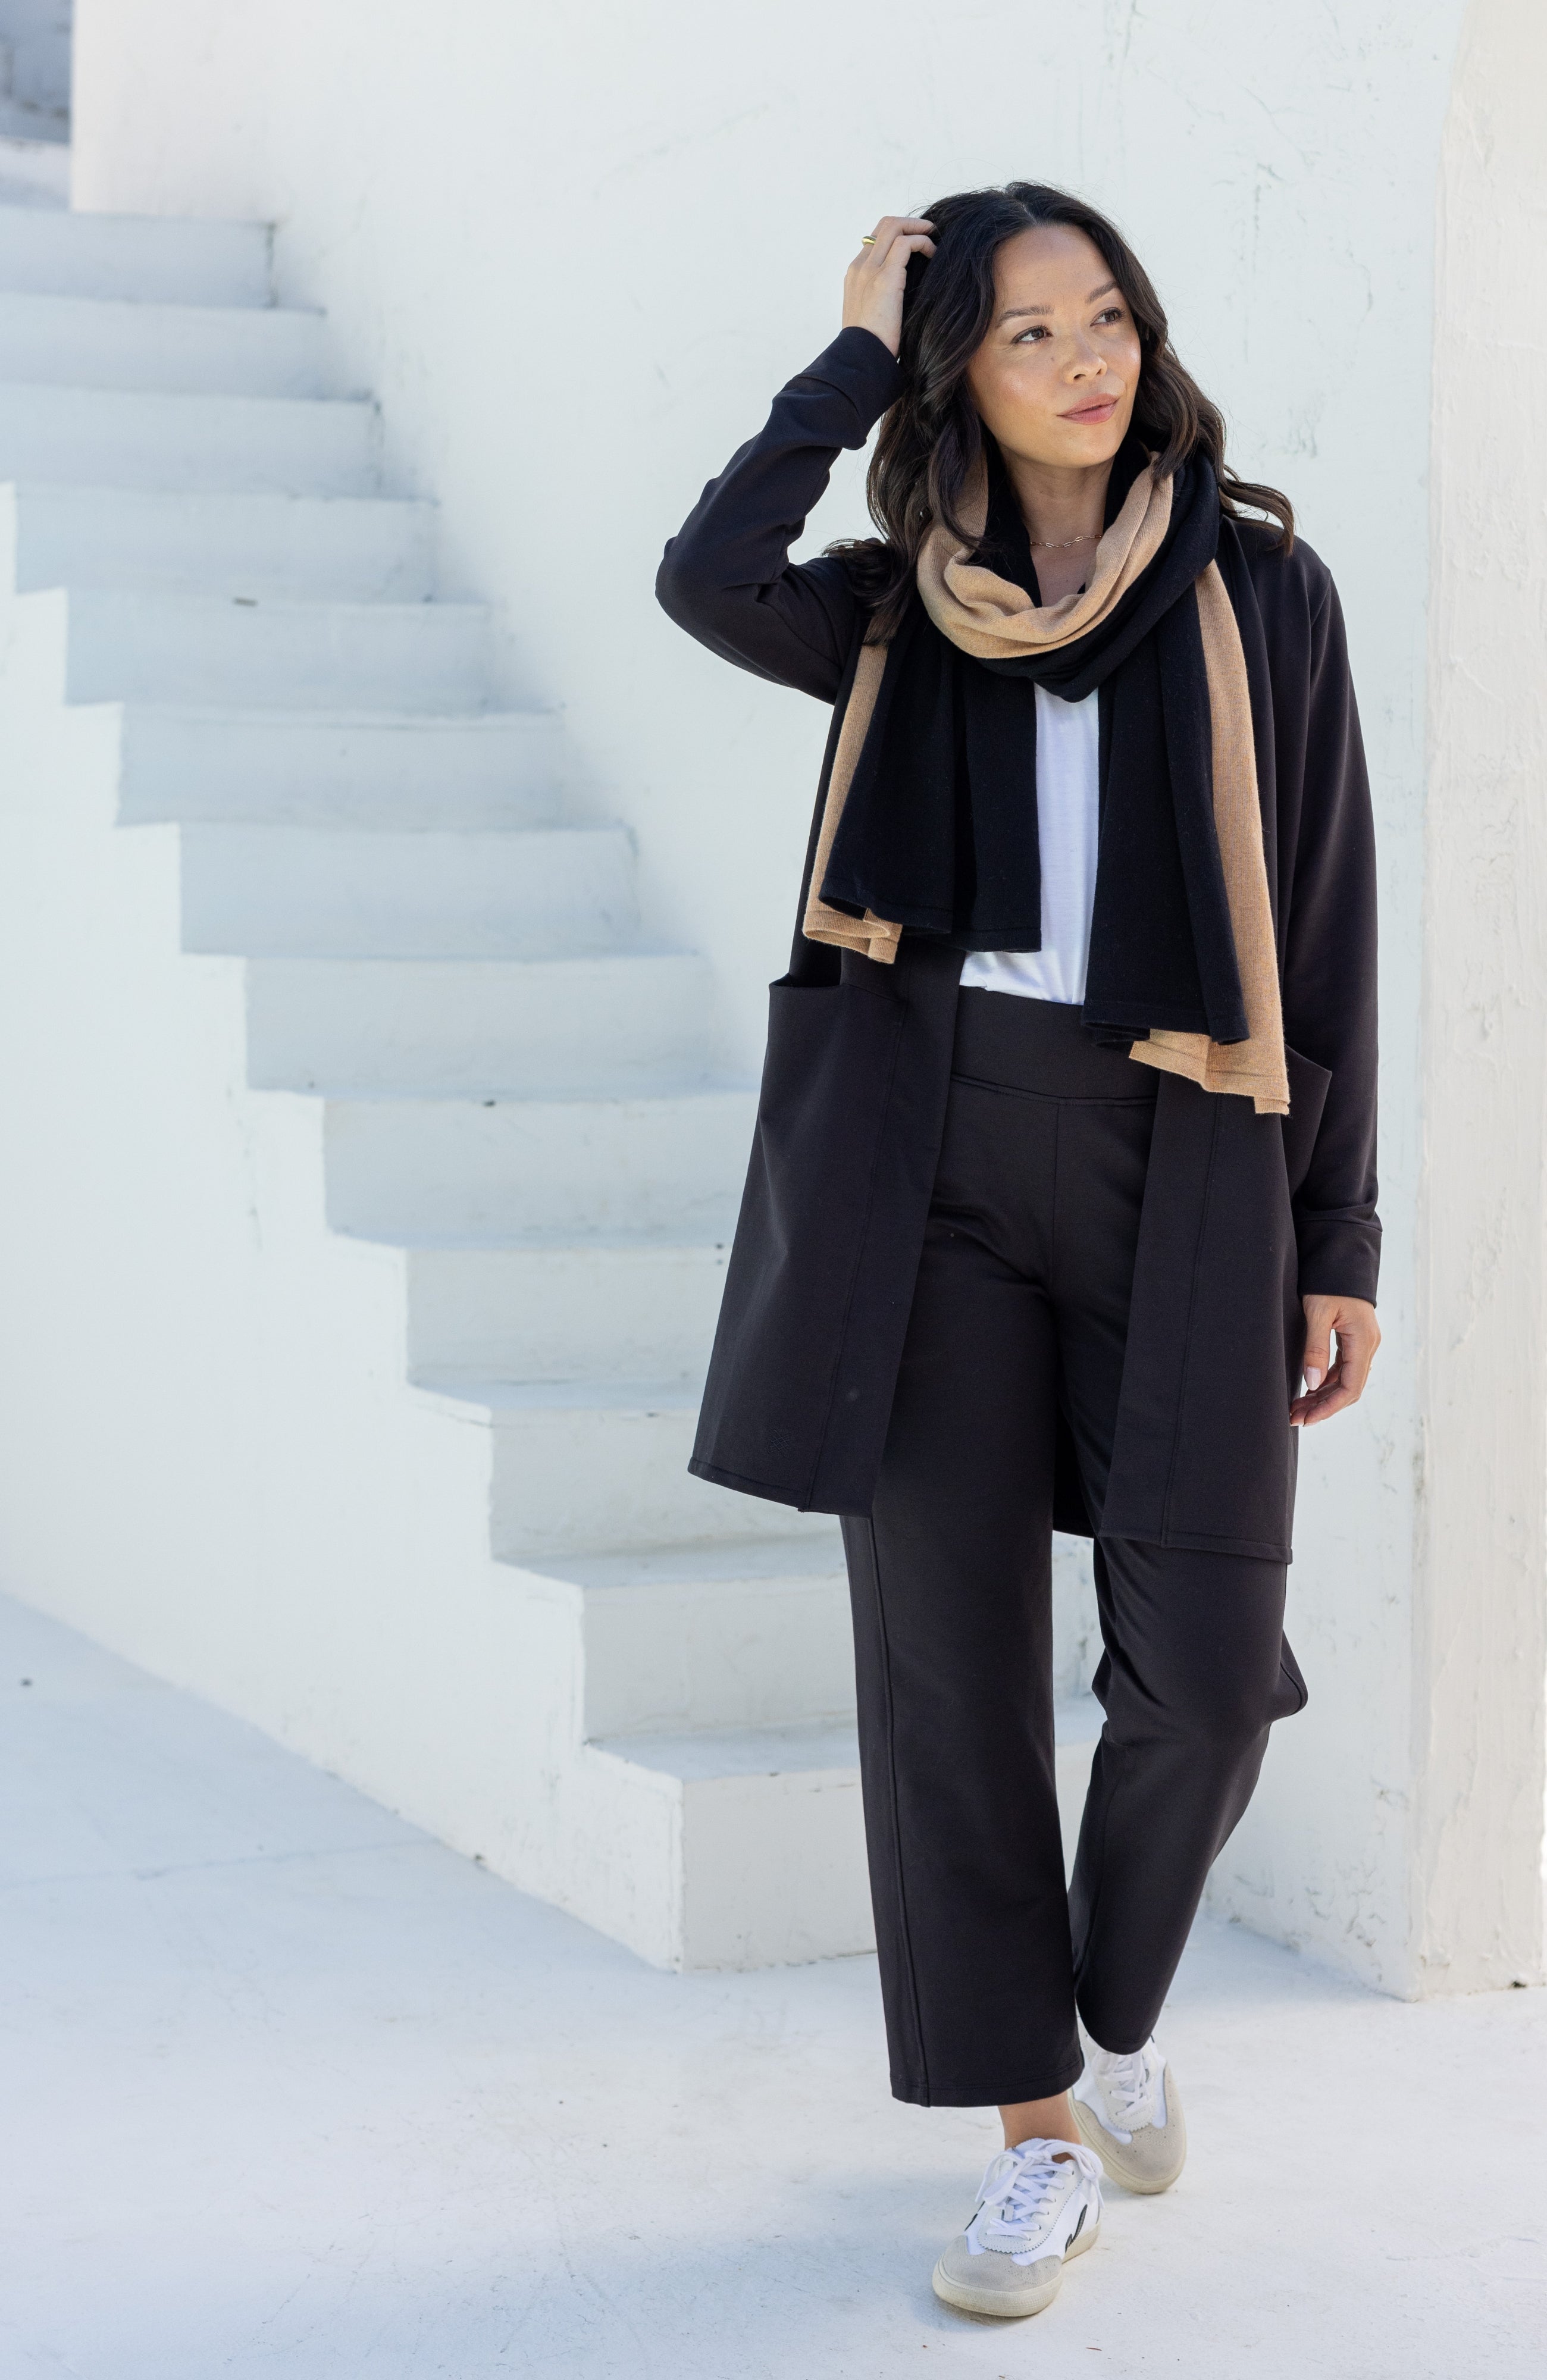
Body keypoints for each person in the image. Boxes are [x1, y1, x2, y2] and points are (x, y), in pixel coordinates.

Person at [656, 181, 1379, 2322]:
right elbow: (704, 577)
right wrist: (844, 359)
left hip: (1192, 1153)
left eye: (1110, 317)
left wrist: (1340, 1238)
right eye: (1025, 330)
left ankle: (1117, 2008)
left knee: (1209, 1673)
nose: (1088, 359)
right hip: (932, 1156)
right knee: (949, 1679)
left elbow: (1323, 920)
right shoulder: (895, 606)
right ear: (953, 371)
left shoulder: (1260, 587)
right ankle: (1034, 2135)